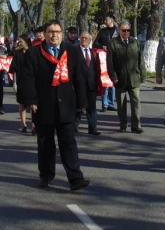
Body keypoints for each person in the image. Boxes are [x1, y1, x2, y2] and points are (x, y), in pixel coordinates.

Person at [25, 19, 90, 191]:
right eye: (51, 32)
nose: (55, 35)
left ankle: (75, 178)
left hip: (66, 105)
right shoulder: (33, 53)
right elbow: (28, 79)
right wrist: (31, 100)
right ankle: (46, 175)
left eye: (58, 32)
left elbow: (80, 78)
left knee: (68, 143)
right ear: (45, 34)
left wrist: (82, 102)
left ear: (62, 33)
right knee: (45, 144)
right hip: (43, 105)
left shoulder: (72, 52)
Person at [107, 20, 145, 134]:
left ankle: (136, 125)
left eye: (128, 30)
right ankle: (123, 124)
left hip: (134, 77)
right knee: (121, 104)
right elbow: (110, 62)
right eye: (124, 30)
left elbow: (140, 59)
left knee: (136, 102)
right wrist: (113, 76)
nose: (126, 33)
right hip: (120, 78)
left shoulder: (135, 42)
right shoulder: (113, 43)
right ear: (119, 31)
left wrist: (143, 74)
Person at [76, 31, 101, 136]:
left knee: (91, 108)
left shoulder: (94, 52)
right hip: (78, 85)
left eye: (86, 38)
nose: (84, 40)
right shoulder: (74, 52)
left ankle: (92, 128)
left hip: (91, 85)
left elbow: (98, 68)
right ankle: (73, 127)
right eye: (82, 38)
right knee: (78, 107)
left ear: (90, 40)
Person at [8, 34, 33, 134]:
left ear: (26, 42)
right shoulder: (17, 53)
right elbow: (14, 69)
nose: (19, 43)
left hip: (32, 82)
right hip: (21, 81)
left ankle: (34, 125)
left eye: (21, 41)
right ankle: (24, 125)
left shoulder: (33, 52)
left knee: (32, 104)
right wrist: (14, 82)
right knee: (22, 103)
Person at [93, 16, 118, 112]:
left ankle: (111, 103)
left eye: (106, 19)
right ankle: (104, 104)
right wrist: (102, 46)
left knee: (113, 81)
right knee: (105, 81)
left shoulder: (117, 31)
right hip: (104, 59)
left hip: (115, 58)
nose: (104, 21)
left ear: (111, 21)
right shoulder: (103, 31)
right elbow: (95, 43)